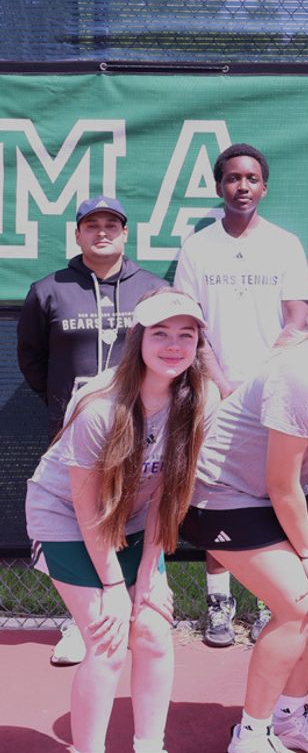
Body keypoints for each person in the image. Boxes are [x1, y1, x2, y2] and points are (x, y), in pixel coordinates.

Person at [180, 266, 308, 753]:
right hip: (219, 494)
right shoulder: (301, 373)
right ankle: (251, 735)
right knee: (300, 605)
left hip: (278, 495)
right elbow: (280, 483)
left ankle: (289, 717)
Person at [25, 288, 212, 753]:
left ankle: (151, 745)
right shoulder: (99, 405)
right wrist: (114, 587)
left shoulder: (199, 398)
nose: (174, 345)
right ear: (138, 339)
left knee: (150, 630)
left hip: (134, 521)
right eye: (161, 333)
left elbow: (168, 494)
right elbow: (88, 508)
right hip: (66, 521)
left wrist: (151, 573)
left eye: (185, 335)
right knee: (107, 641)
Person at [18, 195, 165, 667]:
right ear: (78, 234)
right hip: (76, 435)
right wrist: (73, 406)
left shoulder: (152, 290)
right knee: (82, 518)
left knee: (132, 515)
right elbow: (31, 359)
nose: (102, 231)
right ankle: (81, 620)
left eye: (111, 224)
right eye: (91, 225)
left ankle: (131, 605)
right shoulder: (49, 290)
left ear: (125, 234)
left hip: (140, 434)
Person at [174, 143, 308, 647]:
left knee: (273, 491)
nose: (242, 187)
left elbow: (297, 319)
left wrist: (262, 378)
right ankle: (219, 603)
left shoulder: (285, 245)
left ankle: (267, 601)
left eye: (251, 178)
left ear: (264, 187)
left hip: (273, 392)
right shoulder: (197, 247)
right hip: (213, 392)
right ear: (219, 187)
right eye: (233, 178)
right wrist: (223, 384)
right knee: (220, 493)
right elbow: (191, 325)